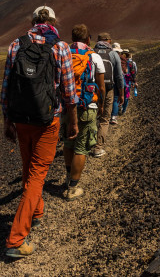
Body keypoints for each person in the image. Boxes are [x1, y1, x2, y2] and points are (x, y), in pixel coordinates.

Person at [1, 6, 79, 258]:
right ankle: (15, 239)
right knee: (37, 176)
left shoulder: (16, 45)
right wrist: (73, 121)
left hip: (21, 119)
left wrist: (7, 120)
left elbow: (6, 86)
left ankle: (36, 212)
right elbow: (68, 90)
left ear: (33, 21)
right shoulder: (60, 47)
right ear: (54, 21)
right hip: (48, 120)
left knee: (28, 168)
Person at [61, 24, 105, 200]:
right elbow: (101, 86)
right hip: (87, 106)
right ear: (88, 39)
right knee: (82, 146)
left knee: (68, 143)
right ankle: (73, 188)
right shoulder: (94, 57)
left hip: (67, 106)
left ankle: (68, 177)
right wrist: (100, 104)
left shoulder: (64, 56)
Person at [92, 33, 124, 157]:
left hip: (93, 89)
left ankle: (88, 141)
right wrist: (121, 93)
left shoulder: (91, 52)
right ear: (109, 41)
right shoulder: (113, 54)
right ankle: (98, 147)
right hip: (109, 89)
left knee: (93, 115)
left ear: (98, 40)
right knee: (105, 118)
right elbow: (119, 76)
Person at [110, 43, 124, 125]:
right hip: (115, 81)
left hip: (105, 80)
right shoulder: (117, 58)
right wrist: (122, 92)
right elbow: (119, 75)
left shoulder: (108, 55)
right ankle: (114, 116)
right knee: (115, 98)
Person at [120, 50, 137, 115]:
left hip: (120, 80)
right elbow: (133, 73)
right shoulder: (131, 63)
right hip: (128, 81)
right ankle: (123, 110)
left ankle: (119, 107)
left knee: (120, 94)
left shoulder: (120, 61)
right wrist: (134, 82)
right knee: (126, 96)